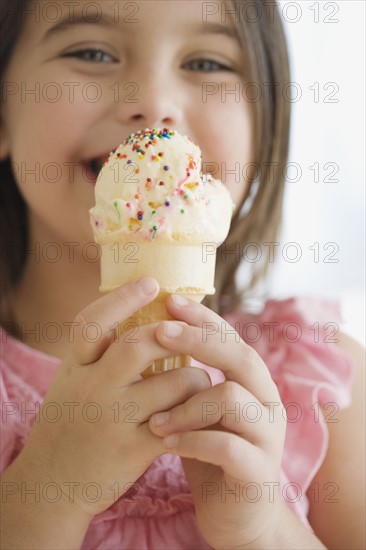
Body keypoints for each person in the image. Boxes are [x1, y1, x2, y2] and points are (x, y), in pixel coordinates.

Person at [0, 1, 364, 548]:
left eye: (208, 63)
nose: (153, 102)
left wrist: (263, 526)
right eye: (92, 52)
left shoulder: (324, 380)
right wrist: (47, 491)